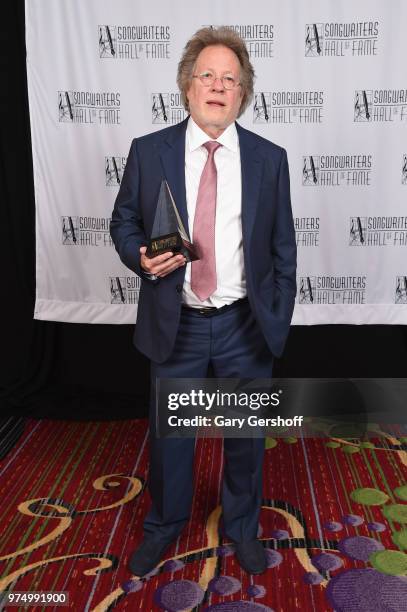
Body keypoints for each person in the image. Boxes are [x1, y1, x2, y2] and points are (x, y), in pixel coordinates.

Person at [110, 26, 297, 577]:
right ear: (188, 87)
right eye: (207, 76)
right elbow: (123, 221)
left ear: (242, 94)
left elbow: (283, 246)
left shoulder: (270, 158)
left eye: (230, 79)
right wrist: (139, 256)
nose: (218, 86)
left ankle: (242, 528)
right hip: (178, 322)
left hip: (245, 323)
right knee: (172, 437)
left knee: (245, 437)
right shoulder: (149, 152)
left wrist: (276, 315)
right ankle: (164, 525)